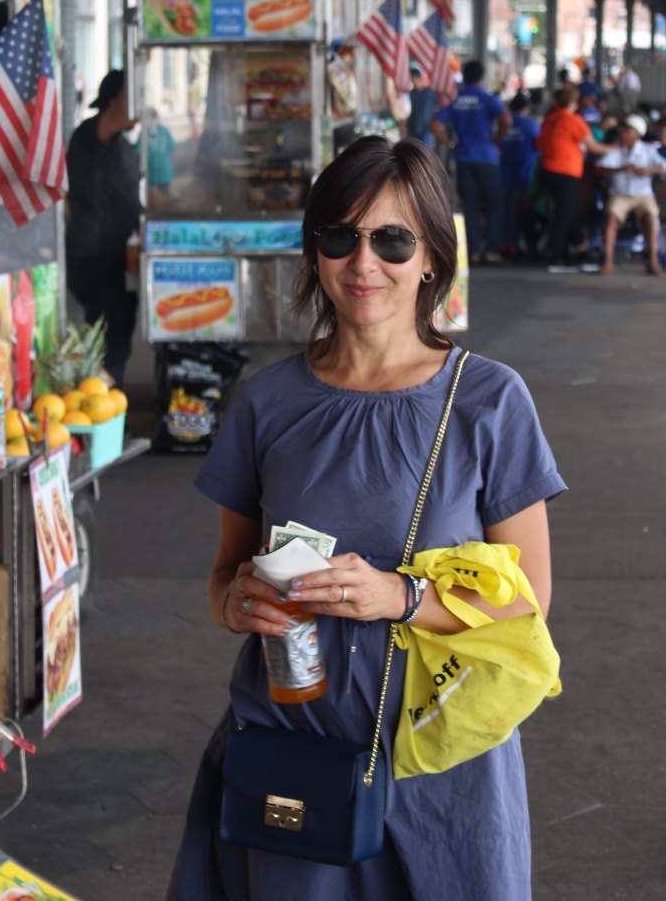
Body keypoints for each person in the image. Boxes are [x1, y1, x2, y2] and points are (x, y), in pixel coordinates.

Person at [168, 136, 565, 901]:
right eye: (339, 237)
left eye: (391, 239)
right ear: (314, 252)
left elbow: (529, 605)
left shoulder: (489, 400)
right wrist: (236, 602)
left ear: (430, 257)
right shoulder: (266, 403)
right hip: (295, 758)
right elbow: (224, 578)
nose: (363, 263)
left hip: (442, 766)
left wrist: (401, 598)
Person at [66, 70, 140, 385]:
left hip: (119, 259)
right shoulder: (86, 137)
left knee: (122, 330)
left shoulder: (124, 148)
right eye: (131, 96)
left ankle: (110, 400)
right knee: (105, 334)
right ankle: (101, 399)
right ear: (113, 102)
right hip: (91, 259)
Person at [430, 59, 510, 265]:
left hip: (464, 158)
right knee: (493, 203)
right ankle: (492, 250)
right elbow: (506, 119)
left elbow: (436, 124)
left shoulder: (457, 101)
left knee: (470, 205)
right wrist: (497, 139)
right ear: (481, 77)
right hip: (487, 158)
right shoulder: (487, 98)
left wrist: (449, 143)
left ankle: (473, 250)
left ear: (464, 76)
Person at [537, 84, 606, 270]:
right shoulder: (573, 120)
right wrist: (616, 148)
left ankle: (576, 247)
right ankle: (557, 253)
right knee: (565, 213)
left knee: (568, 211)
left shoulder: (549, 119)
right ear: (575, 102)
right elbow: (593, 147)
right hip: (566, 172)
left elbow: (540, 145)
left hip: (548, 171)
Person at [597, 114, 666, 275]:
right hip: (621, 194)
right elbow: (600, 168)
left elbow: (664, 167)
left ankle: (653, 261)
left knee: (651, 218)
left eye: (628, 131)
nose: (624, 133)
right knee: (611, 219)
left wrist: (648, 170)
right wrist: (621, 169)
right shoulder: (616, 150)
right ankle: (607, 262)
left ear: (637, 134)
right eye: (624, 130)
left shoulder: (648, 150)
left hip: (643, 195)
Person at [499, 91, 539, 256]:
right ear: (527, 108)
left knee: (506, 212)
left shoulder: (504, 125)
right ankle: (524, 245)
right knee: (524, 211)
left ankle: (507, 244)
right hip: (525, 174)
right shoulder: (531, 125)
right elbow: (540, 145)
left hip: (505, 174)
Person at [144, 106, 176, 204]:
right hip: (160, 173)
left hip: (156, 173)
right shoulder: (162, 131)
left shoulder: (145, 133)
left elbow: (137, 151)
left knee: (157, 198)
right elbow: (172, 147)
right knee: (163, 197)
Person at [404, 66, 437, 149]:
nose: (412, 82)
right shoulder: (411, 94)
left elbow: (435, 110)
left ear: (417, 78)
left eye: (412, 79)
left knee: (426, 154)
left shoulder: (429, 94)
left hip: (426, 130)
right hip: (413, 129)